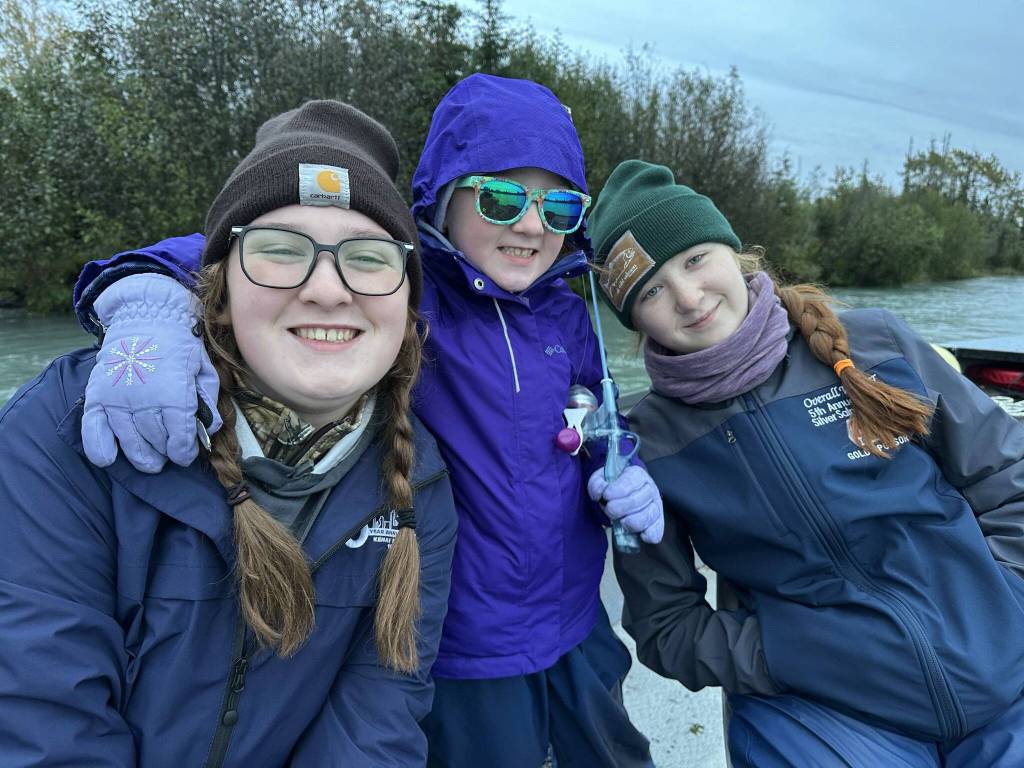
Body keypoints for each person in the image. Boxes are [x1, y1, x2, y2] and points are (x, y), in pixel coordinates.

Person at [65, 75, 660, 767]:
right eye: (501, 197)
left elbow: (597, 408)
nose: (531, 226)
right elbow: (245, 245)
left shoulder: (568, 309)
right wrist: (151, 306)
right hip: (461, 644)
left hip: (576, 618)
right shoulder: (403, 289)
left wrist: (623, 465)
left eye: (558, 207)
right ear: (443, 196)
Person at [0, 100, 458, 765]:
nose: (328, 291)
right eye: (279, 251)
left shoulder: (423, 486)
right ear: (219, 287)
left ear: (406, 301)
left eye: (367, 258)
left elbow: (377, 719)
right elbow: (39, 718)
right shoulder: (65, 427)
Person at [586, 159, 1024, 767]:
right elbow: (668, 629)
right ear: (633, 320)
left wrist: (1003, 591)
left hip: (1008, 673)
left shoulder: (877, 343)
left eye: (695, 260)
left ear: (734, 256)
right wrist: (781, 656)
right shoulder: (644, 445)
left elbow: (1007, 477)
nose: (689, 298)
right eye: (652, 290)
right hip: (827, 715)